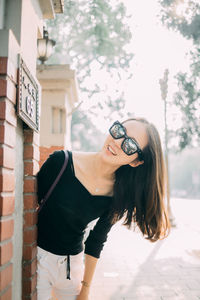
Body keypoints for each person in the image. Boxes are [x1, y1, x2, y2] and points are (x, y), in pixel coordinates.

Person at [36, 117, 170, 300]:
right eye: (119, 131)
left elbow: (96, 240)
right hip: (38, 259)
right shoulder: (60, 162)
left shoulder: (117, 194)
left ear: (136, 162)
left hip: (72, 267)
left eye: (129, 145)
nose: (116, 142)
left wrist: (86, 289)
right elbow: (26, 209)